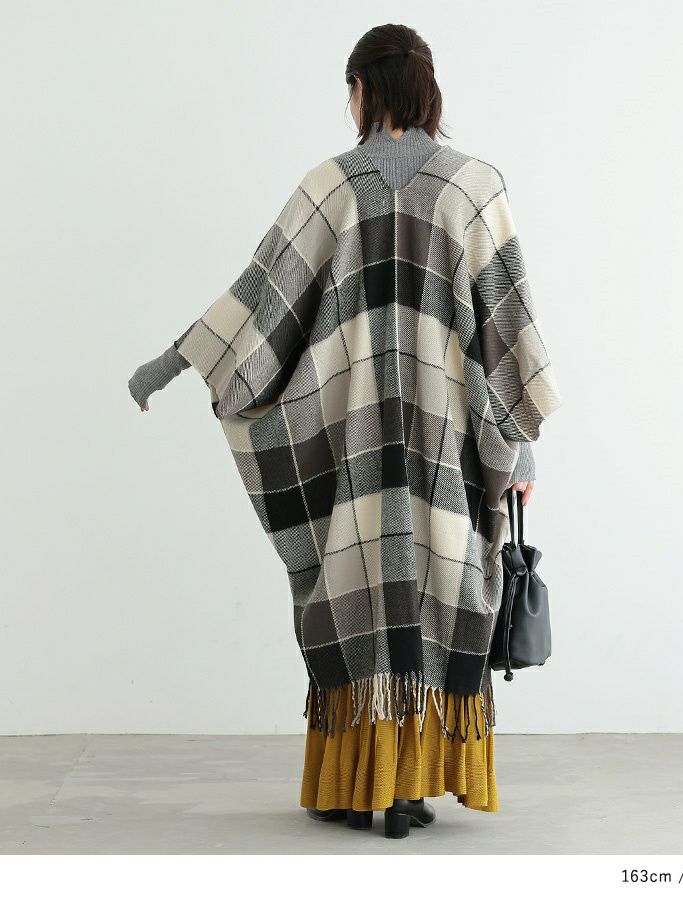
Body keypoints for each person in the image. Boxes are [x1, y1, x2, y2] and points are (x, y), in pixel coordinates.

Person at [128, 23, 561, 839]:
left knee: (361, 603)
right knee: (439, 598)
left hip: (352, 444)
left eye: (351, 89)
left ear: (364, 89)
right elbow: (506, 336)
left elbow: (259, 303)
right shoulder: (475, 187)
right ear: (426, 87)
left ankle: (367, 787)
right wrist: (521, 448)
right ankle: (411, 786)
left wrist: (171, 363)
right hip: (447, 447)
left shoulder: (330, 185)